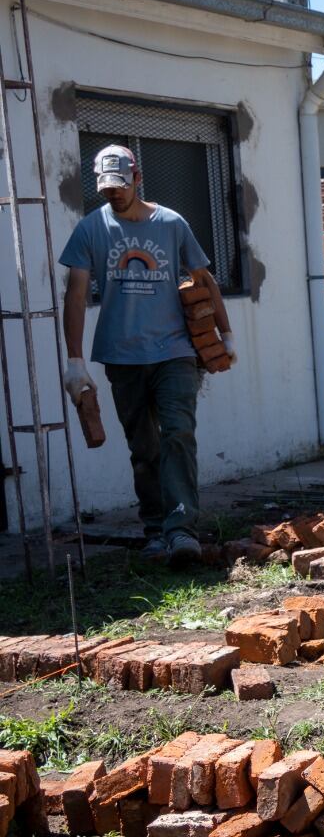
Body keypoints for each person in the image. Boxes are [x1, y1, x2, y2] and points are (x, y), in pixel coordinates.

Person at [59, 144, 234, 566]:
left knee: (178, 434)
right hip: (121, 356)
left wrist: (225, 333)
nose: (114, 194)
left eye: (120, 186)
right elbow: (76, 296)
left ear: (137, 179)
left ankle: (182, 530)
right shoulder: (90, 229)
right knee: (144, 448)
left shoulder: (171, 223)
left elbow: (202, 278)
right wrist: (75, 361)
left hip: (175, 351)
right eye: (106, 188)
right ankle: (156, 529)